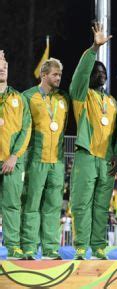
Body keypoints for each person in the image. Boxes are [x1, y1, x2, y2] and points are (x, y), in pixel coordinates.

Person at [69, 23, 117, 260]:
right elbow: (80, 75)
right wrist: (94, 49)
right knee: (82, 203)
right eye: (96, 71)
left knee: (102, 206)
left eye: (103, 72)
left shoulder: (111, 102)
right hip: (87, 155)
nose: (100, 74)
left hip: (106, 160)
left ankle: (99, 247)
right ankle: (81, 247)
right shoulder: (82, 95)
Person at [21, 58, 69, 260]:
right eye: (55, 75)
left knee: (53, 206)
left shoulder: (62, 98)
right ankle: (29, 249)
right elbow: (21, 128)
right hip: (35, 159)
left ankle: (50, 250)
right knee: (31, 205)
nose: (58, 78)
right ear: (44, 75)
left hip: (57, 162)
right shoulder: (28, 96)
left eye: (60, 75)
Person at [0, 50, 32, 259]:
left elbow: (26, 129)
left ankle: (13, 247)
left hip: (11, 161)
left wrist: (14, 156)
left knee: (12, 205)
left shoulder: (18, 98)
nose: (3, 68)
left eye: (5, 65)